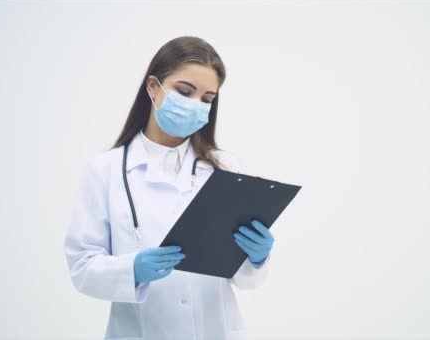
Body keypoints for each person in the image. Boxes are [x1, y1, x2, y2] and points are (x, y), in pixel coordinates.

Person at [63, 36, 274, 340]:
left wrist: (256, 258)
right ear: (153, 87)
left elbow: (245, 281)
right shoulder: (104, 171)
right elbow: (82, 269)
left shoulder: (226, 168)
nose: (195, 105)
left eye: (206, 99)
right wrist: (131, 270)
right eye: (184, 91)